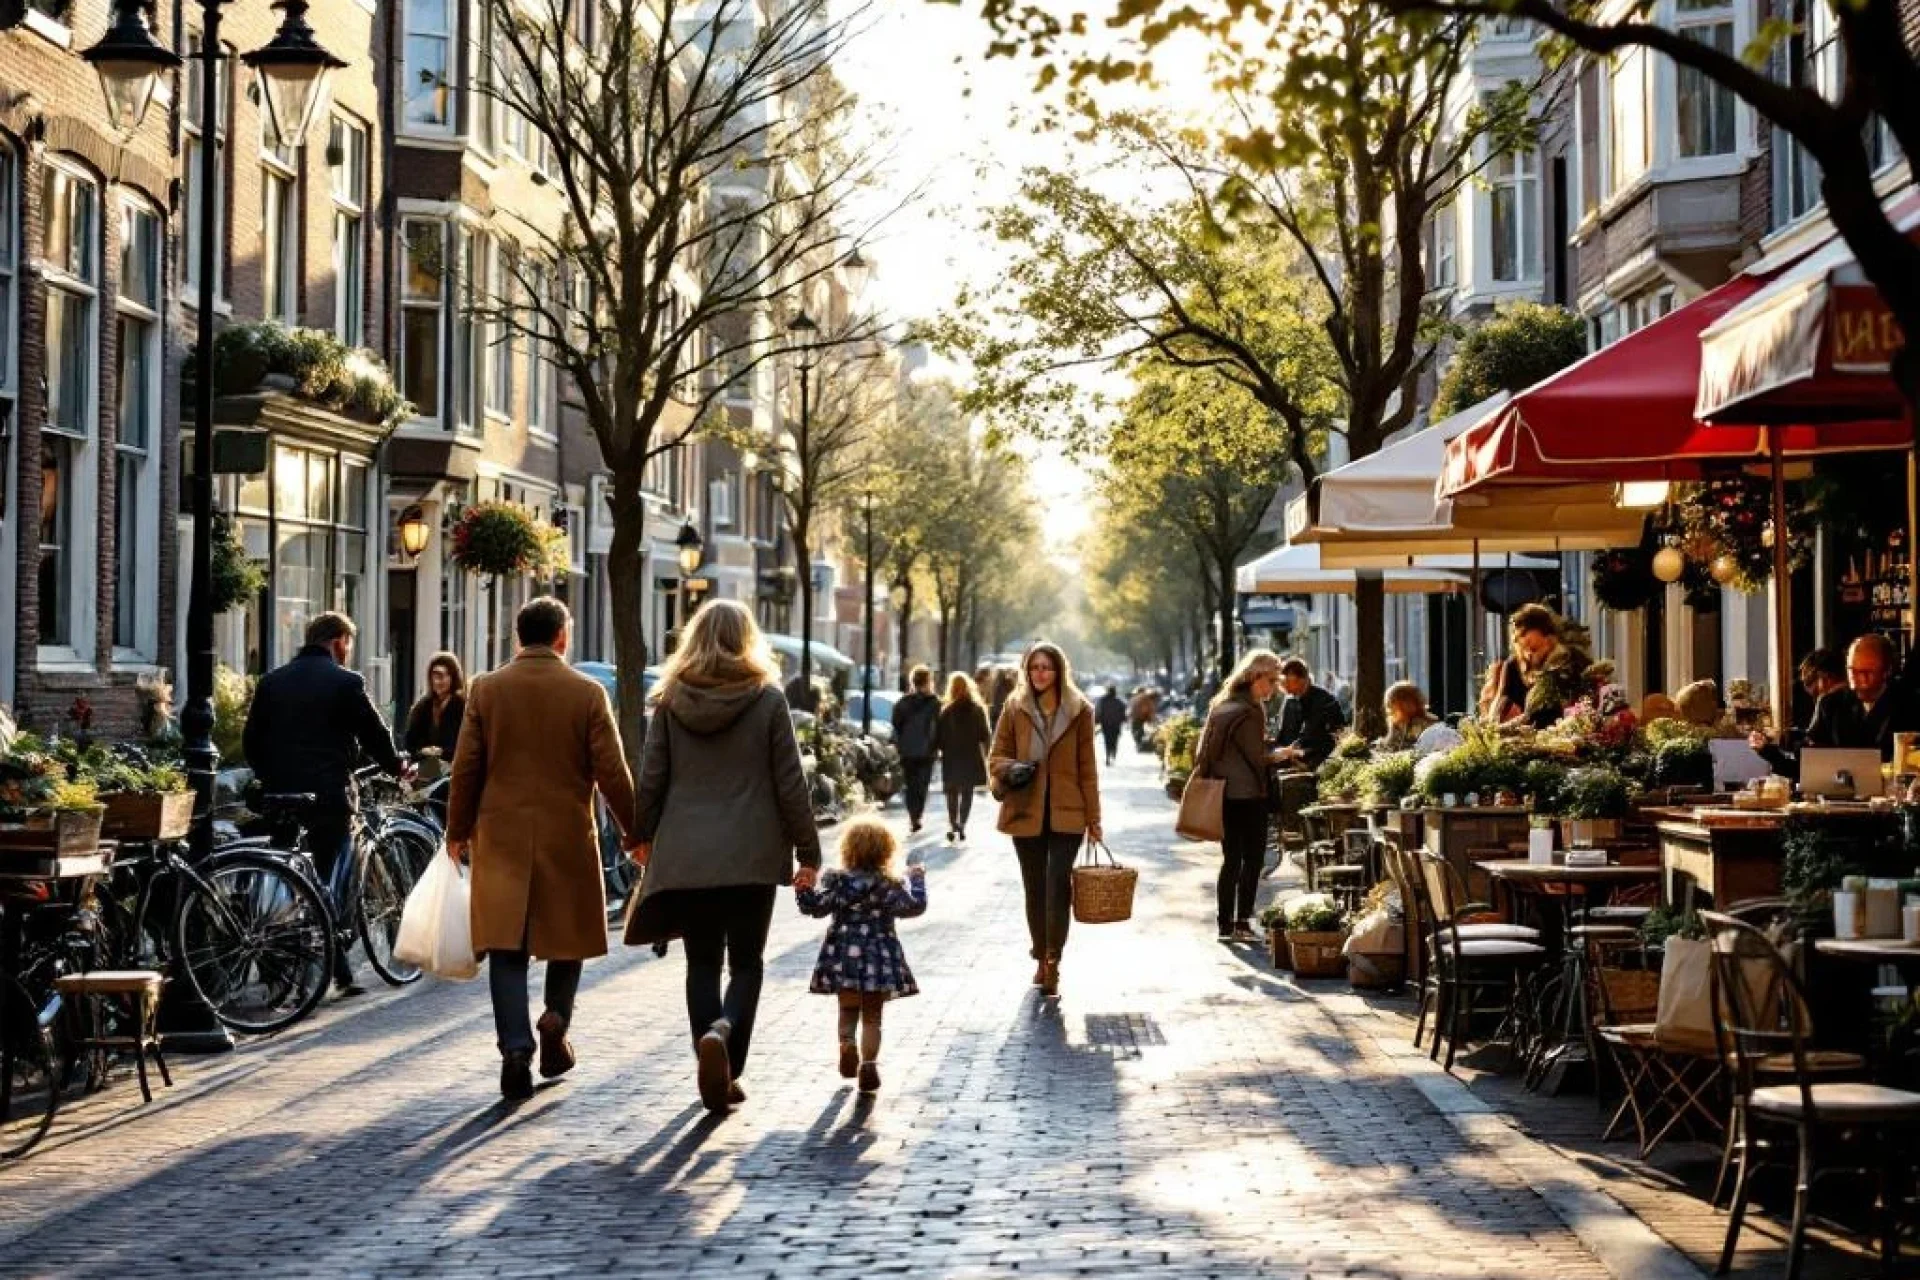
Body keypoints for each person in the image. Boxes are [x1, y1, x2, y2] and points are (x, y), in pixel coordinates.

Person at [624, 600, 822, 1112]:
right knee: (748, 964)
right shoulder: (767, 699)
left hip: (688, 852)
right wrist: (809, 851)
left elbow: (652, 776)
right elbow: (790, 783)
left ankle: (706, 1050)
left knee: (702, 962)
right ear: (748, 638)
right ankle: (726, 1047)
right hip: (752, 854)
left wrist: (641, 835)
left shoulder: (668, 700)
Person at [445, 597, 637, 1101]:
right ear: (562, 639)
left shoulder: (487, 691)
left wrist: (456, 830)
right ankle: (556, 1017)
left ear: (517, 638)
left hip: (502, 838)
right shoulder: (587, 693)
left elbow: (465, 768)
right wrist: (637, 834)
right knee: (566, 937)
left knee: (507, 948)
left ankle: (514, 1048)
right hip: (566, 834)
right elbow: (611, 773)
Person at [242, 611, 406, 996]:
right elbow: (373, 734)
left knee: (289, 870)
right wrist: (397, 767)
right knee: (338, 878)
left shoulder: (272, 682)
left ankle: (306, 963)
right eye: (348, 644)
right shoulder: (346, 682)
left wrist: (273, 777)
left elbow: (252, 740)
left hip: (282, 797)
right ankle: (335, 961)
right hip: (330, 797)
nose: (348, 652)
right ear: (336, 643)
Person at [989, 642, 1102, 997]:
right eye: (1034, 667)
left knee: (1058, 886)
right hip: (1026, 810)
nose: (1040, 673)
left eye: (1047, 667)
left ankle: (1054, 957)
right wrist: (1013, 767)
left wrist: (1094, 818)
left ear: (1059, 671)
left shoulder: (1079, 709)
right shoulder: (1014, 706)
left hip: (1068, 812)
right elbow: (995, 757)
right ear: (1026, 669)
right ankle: (1040, 955)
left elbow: (1088, 768)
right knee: (1034, 887)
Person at [795, 817, 927, 1094]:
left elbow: (815, 907)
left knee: (847, 1007)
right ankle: (868, 1063)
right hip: (878, 955)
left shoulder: (838, 881)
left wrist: (804, 887)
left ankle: (847, 1044)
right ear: (886, 851)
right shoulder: (888, 884)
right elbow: (914, 907)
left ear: (848, 849)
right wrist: (916, 877)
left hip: (844, 956)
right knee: (872, 1016)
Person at [1195, 650, 1285, 943]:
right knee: (1253, 859)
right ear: (1254, 677)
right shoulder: (1251, 710)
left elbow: (1203, 753)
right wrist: (1281, 754)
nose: (1274, 686)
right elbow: (1257, 758)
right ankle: (1243, 922)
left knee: (1230, 860)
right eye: (1270, 679)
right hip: (1249, 795)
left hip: (1224, 793)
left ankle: (1224, 925)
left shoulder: (1221, 705)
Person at [1755, 634, 1918, 765]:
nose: (1858, 680)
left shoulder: (1910, 704)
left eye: (1867, 672)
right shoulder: (1831, 704)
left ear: (1887, 671)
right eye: (1852, 671)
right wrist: (1769, 752)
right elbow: (1808, 766)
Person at [1749, 648, 1846, 777]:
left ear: (1825, 678)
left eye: (1816, 693)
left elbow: (1807, 762)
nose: (1815, 699)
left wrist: (1776, 744)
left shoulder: (1829, 702)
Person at [1492, 605, 1590, 728]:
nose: (1529, 655)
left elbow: (1588, 697)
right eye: (1523, 648)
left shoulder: (1570, 660)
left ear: (1550, 639)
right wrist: (1492, 725)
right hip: (1526, 739)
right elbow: (1501, 702)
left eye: (1534, 649)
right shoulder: (1513, 666)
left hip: (1567, 737)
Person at [935, 671, 991, 842]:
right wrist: (987, 754)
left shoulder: (947, 711)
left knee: (952, 792)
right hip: (971, 756)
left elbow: (939, 737)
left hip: (951, 757)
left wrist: (940, 750)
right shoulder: (977, 709)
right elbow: (985, 734)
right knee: (967, 792)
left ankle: (953, 824)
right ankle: (962, 824)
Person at [891, 666, 941, 834]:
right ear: (928, 682)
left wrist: (900, 743)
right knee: (922, 784)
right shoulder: (935, 703)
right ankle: (917, 815)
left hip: (907, 750)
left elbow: (896, 725)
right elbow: (939, 727)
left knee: (910, 784)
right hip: (927, 751)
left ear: (912, 682)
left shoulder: (902, 703)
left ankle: (913, 816)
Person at [1273, 658, 1345, 769]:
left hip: (1320, 760)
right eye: (1283, 682)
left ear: (1302, 679)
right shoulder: (1290, 701)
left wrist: (1297, 749)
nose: (1284, 686)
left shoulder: (1324, 700)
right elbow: (1284, 733)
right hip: (1293, 759)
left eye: (1288, 681)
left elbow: (1321, 734)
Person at [403, 651, 467, 765]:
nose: (438, 681)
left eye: (443, 676)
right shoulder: (422, 706)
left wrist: (442, 752)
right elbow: (409, 742)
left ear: (453, 677)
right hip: (425, 767)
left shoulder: (462, 705)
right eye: (435, 676)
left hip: (453, 769)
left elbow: (467, 742)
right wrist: (423, 751)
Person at [1379, 681, 1437, 751]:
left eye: (1394, 703)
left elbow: (1419, 747)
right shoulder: (1396, 722)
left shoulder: (1423, 723)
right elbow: (1391, 743)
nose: (1391, 708)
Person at [1095, 684, 1128, 765]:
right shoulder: (1119, 702)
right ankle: (1113, 756)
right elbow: (1123, 713)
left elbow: (1098, 712)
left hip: (1106, 724)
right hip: (1116, 725)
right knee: (1114, 741)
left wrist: (1097, 721)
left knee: (1107, 741)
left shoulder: (1102, 701)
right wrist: (1123, 720)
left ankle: (1108, 757)